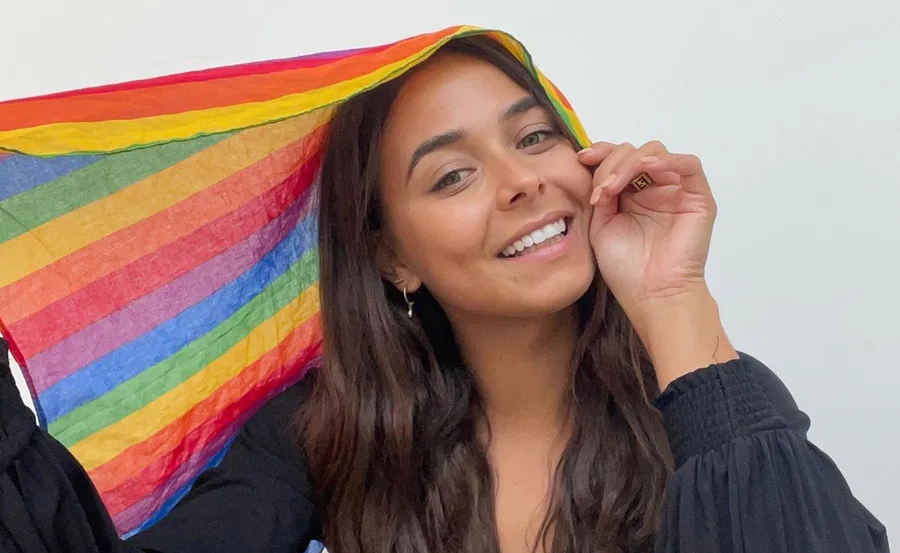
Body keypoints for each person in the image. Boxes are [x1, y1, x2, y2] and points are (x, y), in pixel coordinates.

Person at [0, 34, 889, 553]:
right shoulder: (327, 432)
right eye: (454, 174)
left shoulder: (708, 401)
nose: (520, 182)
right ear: (394, 259)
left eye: (535, 138)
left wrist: (673, 299)